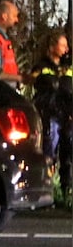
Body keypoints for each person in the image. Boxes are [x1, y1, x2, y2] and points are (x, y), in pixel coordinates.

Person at [28, 33, 73, 198]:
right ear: (52, 47)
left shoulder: (69, 67)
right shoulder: (41, 67)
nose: (66, 49)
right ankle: (46, 190)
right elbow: (29, 82)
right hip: (49, 115)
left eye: (66, 45)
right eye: (62, 45)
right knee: (49, 153)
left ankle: (66, 189)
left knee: (68, 152)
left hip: (67, 116)